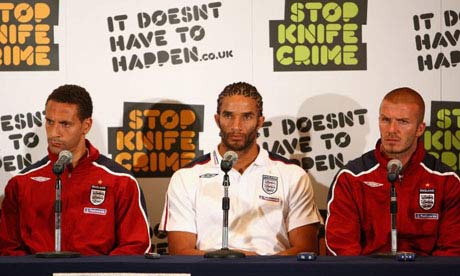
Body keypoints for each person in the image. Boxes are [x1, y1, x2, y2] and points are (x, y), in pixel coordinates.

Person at [159, 82, 322, 256]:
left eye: (247, 117)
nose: (236, 126)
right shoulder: (186, 177)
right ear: (217, 119)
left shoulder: (292, 175)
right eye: (228, 116)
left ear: (260, 122)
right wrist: (231, 263)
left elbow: (306, 250)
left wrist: (255, 265)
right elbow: (180, 252)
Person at [0, 84, 151, 256]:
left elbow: (136, 247)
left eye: (65, 124)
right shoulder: (21, 183)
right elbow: (8, 249)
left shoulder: (120, 181)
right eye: (50, 122)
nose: (54, 133)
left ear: (86, 126)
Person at [325, 87, 460, 256]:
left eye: (403, 122)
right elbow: (341, 247)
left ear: (420, 129)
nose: (391, 130)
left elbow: (453, 250)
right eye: (386, 120)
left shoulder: (447, 180)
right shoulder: (351, 177)